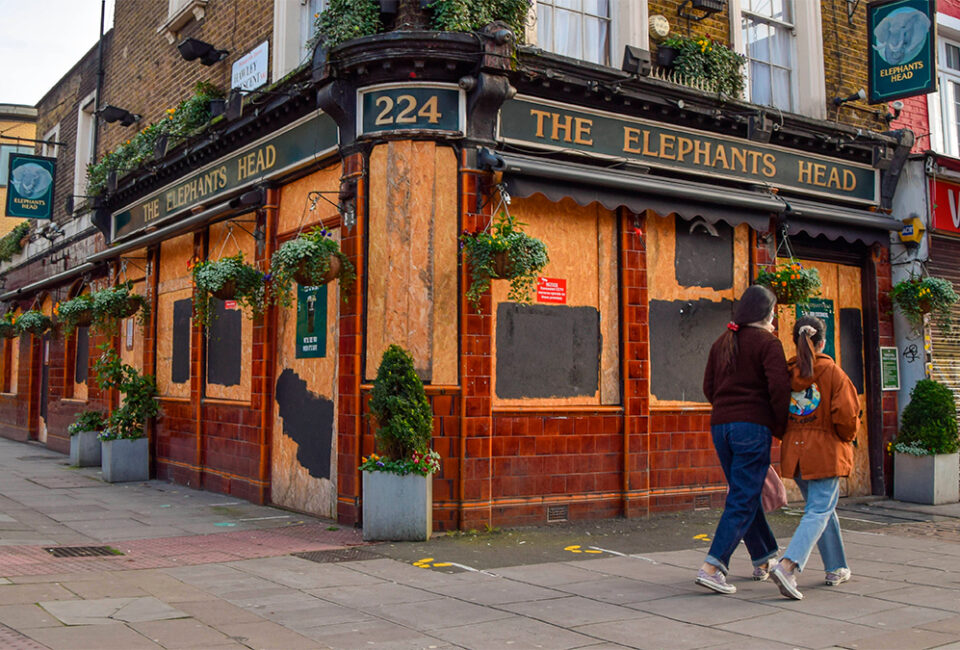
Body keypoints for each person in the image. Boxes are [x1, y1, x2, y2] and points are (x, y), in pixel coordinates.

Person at [696, 285, 791, 594]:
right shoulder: (768, 343)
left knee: (744, 493)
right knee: (742, 496)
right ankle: (713, 566)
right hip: (753, 426)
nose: (775, 317)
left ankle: (764, 557)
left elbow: (709, 387)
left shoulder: (721, 342)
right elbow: (779, 391)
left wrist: (727, 409)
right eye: (774, 311)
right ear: (765, 313)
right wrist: (780, 427)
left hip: (721, 426)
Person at [769, 316, 860, 600]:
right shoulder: (833, 373)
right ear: (822, 342)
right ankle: (788, 565)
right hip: (825, 452)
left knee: (821, 508)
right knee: (819, 510)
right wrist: (845, 439)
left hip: (796, 452)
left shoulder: (785, 374)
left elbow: (775, 412)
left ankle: (836, 567)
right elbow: (846, 418)